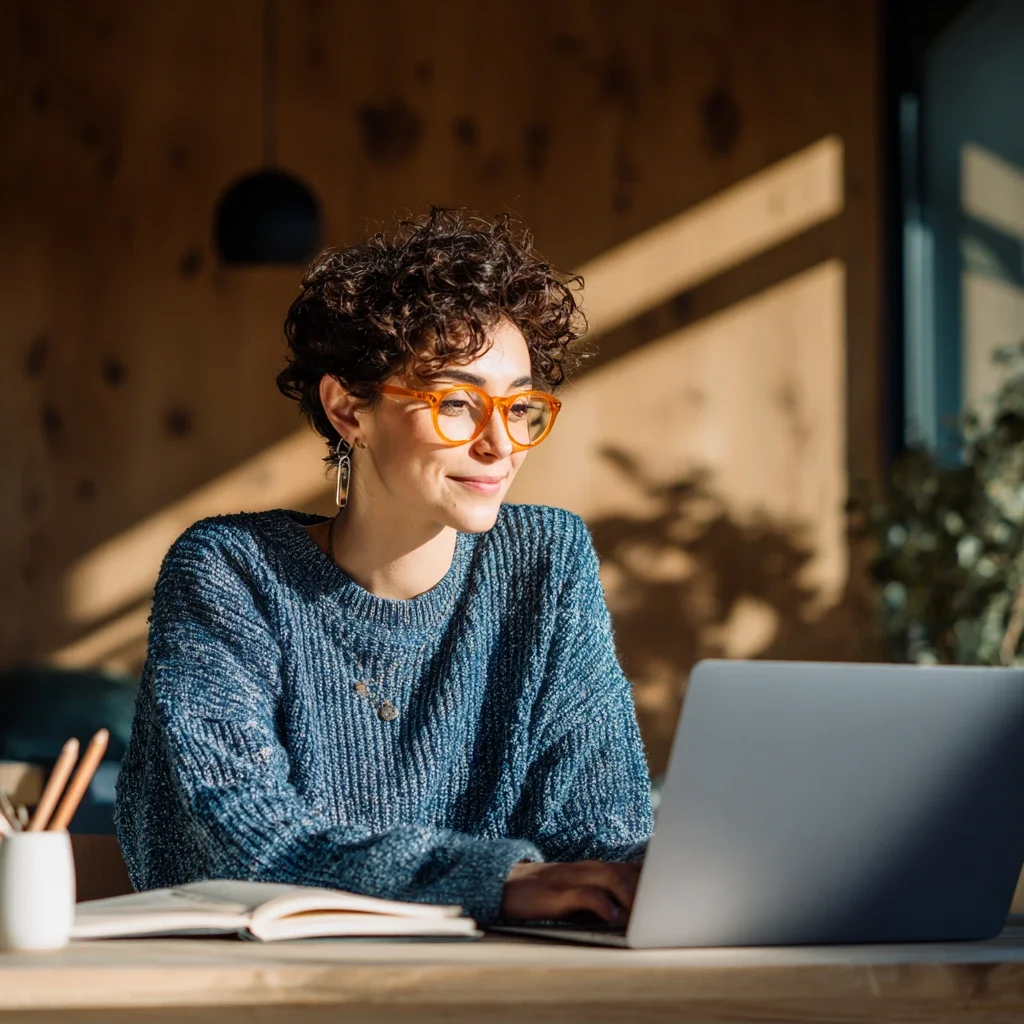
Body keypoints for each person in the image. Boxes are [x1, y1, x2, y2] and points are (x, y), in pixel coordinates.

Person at [115, 208, 653, 926]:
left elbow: (603, 835)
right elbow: (243, 838)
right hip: (254, 990)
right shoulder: (229, 571)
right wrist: (497, 881)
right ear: (348, 410)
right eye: (457, 403)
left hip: (497, 991)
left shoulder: (545, 564)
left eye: (521, 406)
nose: (503, 443)